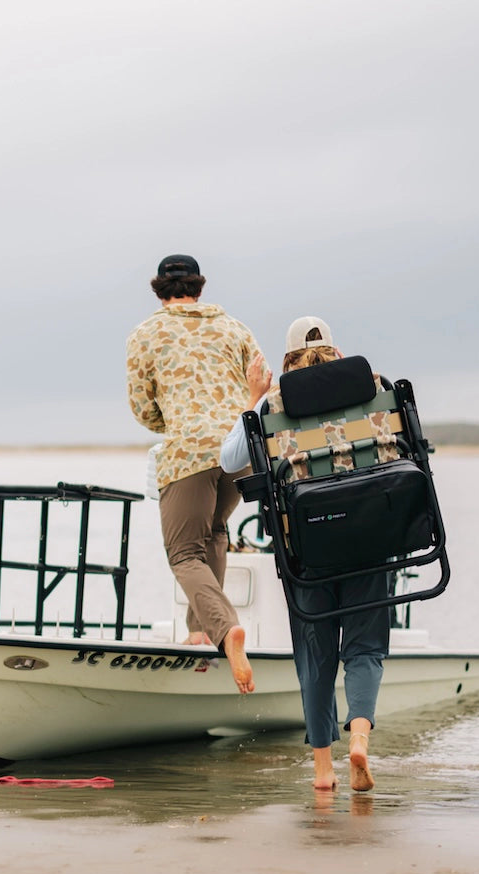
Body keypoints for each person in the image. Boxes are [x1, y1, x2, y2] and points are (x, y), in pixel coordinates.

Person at [220, 316, 389, 791]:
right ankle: (359, 738)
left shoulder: (274, 402)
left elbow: (230, 460)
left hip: (306, 545)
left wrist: (253, 397)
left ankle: (322, 771)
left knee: (316, 656)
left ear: (287, 359)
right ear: (336, 352)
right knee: (365, 647)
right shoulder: (373, 387)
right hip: (371, 536)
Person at [126, 254, 265, 694]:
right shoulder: (235, 328)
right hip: (238, 449)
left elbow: (141, 407)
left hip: (187, 452)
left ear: (158, 290)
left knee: (183, 553)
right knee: (214, 533)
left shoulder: (145, 334)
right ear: (199, 288)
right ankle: (199, 631)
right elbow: (261, 381)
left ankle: (225, 630)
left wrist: (176, 422)